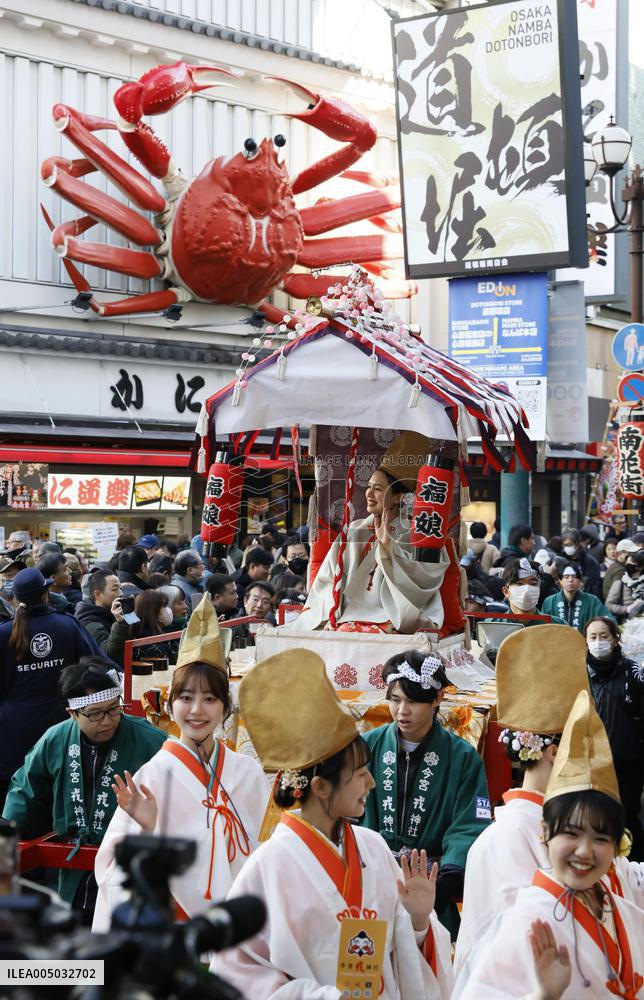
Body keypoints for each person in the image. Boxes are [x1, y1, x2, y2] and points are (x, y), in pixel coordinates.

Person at [211, 648, 453, 999]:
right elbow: (234, 971)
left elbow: (404, 954)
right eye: (359, 774)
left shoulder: (373, 847)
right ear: (321, 787)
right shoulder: (269, 866)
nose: (371, 783)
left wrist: (418, 921)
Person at [453, 690, 644, 998]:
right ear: (546, 831)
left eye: (600, 838)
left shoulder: (617, 906)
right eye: (570, 834)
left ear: (617, 843)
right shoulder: (524, 912)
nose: (584, 850)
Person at [93, 596, 269, 929]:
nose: (197, 711)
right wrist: (146, 831)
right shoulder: (153, 776)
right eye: (186, 698)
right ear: (170, 705)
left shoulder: (247, 772)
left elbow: (264, 855)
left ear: (225, 708)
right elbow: (112, 870)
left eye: (209, 699)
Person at [455, 625, 590, 972]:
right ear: (554, 753)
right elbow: (526, 938)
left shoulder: (542, 821)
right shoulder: (511, 833)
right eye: (584, 749)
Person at [3, 658, 164, 921]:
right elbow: (26, 789)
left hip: (127, 863)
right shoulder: (56, 738)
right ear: (73, 713)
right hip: (73, 865)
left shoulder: (150, 740)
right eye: (95, 713)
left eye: (114, 709)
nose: (107, 721)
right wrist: (7, 830)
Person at [361, 649, 491, 939]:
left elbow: (470, 822)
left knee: (429, 971)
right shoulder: (366, 747)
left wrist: (450, 875)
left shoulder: (463, 758)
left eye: (413, 701)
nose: (402, 711)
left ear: (436, 700)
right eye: (395, 700)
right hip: (371, 879)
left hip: (432, 886)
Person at [293, 432, 449, 633]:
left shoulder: (417, 533)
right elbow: (329, 576)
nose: (368, 494)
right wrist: (330, 611)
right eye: (368, 487)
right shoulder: (354, 531)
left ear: (397, 497)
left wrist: (388, 549)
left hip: (391, 613)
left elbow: (424, 580)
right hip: (348, 612)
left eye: (377, 489)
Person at [0, 568, 110, 810]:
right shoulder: (66, 625)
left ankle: (10, 849)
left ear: (16, 598)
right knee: (59, 806)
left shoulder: (4, 632)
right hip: (61, 725)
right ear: (46, 594)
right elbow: (100, 665)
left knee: (14, 809)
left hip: (12, 733)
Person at [585, 616, 644, 861]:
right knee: (596, 818)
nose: (598, 642)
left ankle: (634, 869)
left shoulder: (635, 673)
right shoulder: (579, 674)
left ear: (615, 639)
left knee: (628, 817)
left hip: (629, 765)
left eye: (604, 636)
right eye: (593, 637)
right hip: (592, 766)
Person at [74, 570, 132, 668]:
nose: (121, 593)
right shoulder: (89, 622)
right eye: (115, 589)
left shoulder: (110, 613)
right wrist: (120, 624)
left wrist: (130, 614)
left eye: (120, 588)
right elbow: (109, 656)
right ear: (98, 595)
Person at [541, 564, 613, 632]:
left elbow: (608, 620)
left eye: (574, 577)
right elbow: (541, 627)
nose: (570, 580)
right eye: (566, 577)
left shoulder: (592, 601)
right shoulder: (550, 602)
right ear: (560, 580)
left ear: (580, 581)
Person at [498, 557, 565, 624]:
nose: (527, 589)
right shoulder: (492, 626)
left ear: (539, 589)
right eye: (519, 583)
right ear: (506, 591)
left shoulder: (557, 626)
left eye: (533, 584)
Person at [131, 590, 174, 664]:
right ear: (152, 612)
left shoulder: (162, 635)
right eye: (164, 606)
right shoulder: (151, 647)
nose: (168, 610)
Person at [560, 528, 602, 597]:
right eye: (564, 545)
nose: (566, 548)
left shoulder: (590, 562)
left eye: (569, 544)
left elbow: (595, 586)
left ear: (577, 544)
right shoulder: (560, 560)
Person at [605, 548, 644, 622]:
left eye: (631, 562)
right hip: (627, 624)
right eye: (626, 562)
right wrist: (627, 609)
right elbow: (608, 606)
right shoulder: (621, 582)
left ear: (640, 567)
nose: (627, 564)